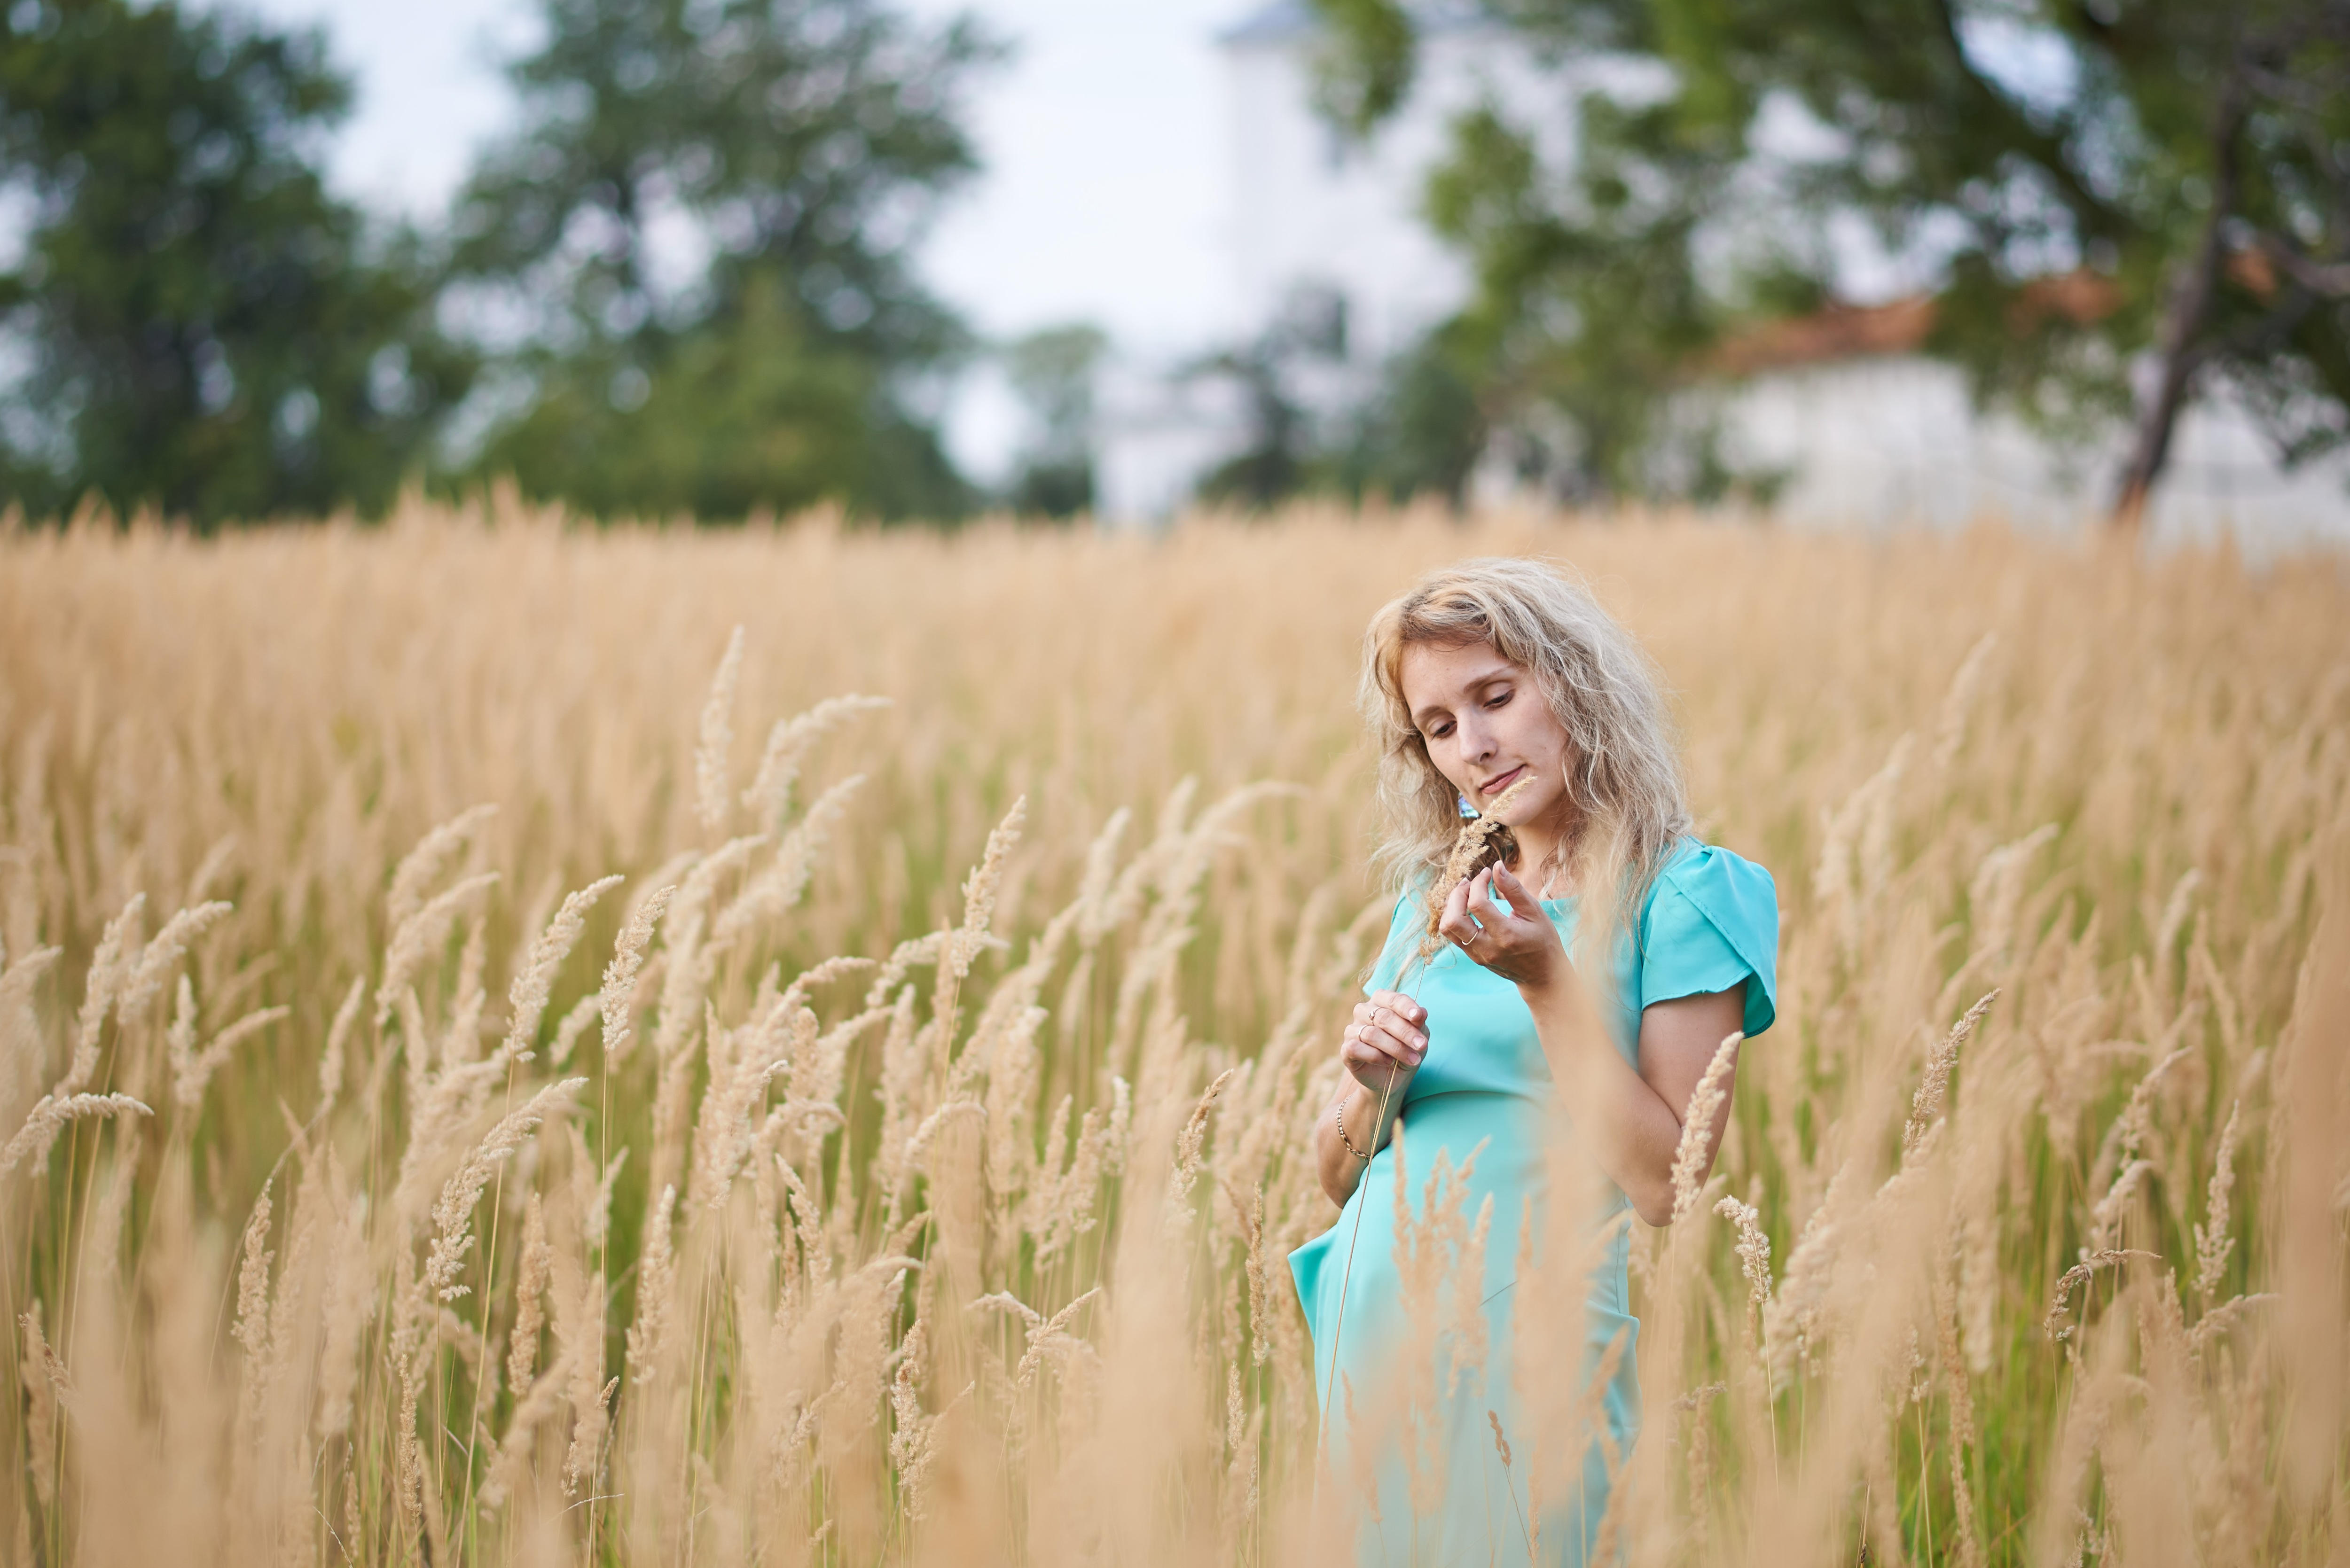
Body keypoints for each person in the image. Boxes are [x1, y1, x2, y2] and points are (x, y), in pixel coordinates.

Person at [1289, 557, 1779, 1565]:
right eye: (1437, 725)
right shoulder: (1443, 897)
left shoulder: (1683, 893)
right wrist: (1370, 1085)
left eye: (1494, 697)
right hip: (1375, 1357)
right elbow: (1335, 1174)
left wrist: (1548, 978)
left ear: (1575, 684)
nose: (1472, 745)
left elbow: (1664, 1182)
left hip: (1531, 1357)